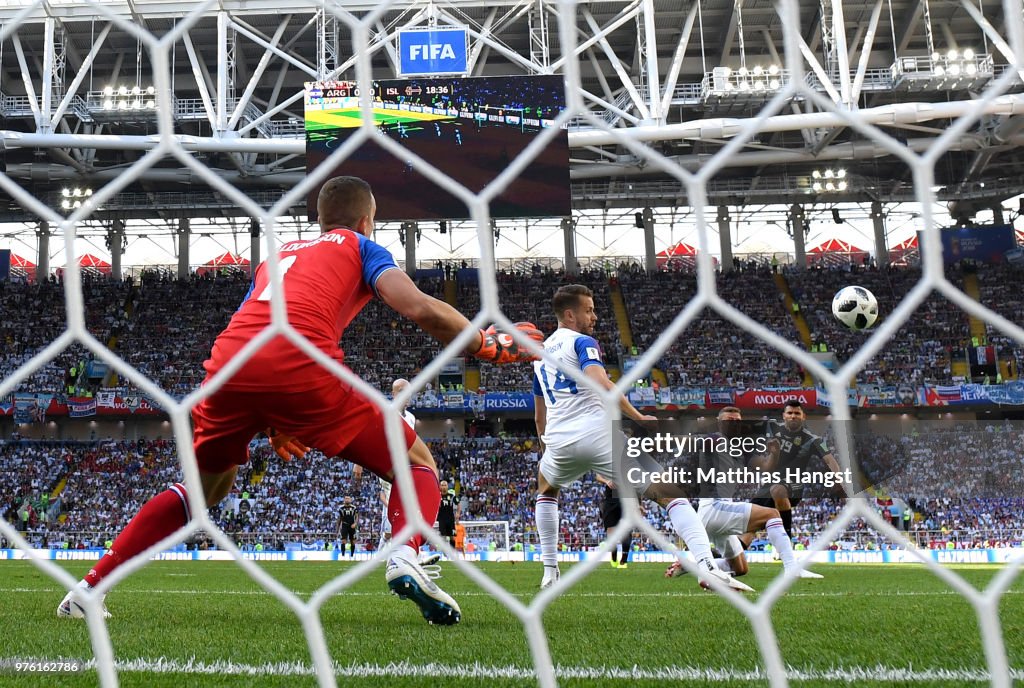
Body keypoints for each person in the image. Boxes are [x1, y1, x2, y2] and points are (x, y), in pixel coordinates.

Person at [57, 175, 541, 626]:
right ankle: (404, 554)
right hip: (300, 361)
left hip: (227, 364)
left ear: (318, 219)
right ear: (368, 220)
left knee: (204, 493)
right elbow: (417, 307)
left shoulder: (277, 254)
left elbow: (258, 325)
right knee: (414, 460)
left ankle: (89, 589)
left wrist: (273, 415)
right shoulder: (361, 246)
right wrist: (485, 345)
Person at [532, 284, 752, 592]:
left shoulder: (539, 357)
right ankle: (705, 567)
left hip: (558, 441)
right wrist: (637, 416)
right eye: (589, 310)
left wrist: (547, 447)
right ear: (570, 314)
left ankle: (550, 570)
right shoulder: (583, 342)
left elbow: (539, 415)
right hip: (598, 435)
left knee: (546, 490)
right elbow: (600, 382)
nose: (594, 316)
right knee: (671, 494)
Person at [664, 407, 821, 580]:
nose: (734, 424)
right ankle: (792, 568)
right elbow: (688, 441)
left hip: (716, 514)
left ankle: (690, 566)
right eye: (729, 420)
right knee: (772, 514)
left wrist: (774, 454)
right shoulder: (715, 439)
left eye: (737, 421)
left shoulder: (742, 450)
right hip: (714, 508)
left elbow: (766, 467)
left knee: (739, 568)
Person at [750, 399, 844, 540]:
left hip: (793, 486)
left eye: (797, 413)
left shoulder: (812, 440)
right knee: (749, 521)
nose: (793, 416)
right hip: (768, 485)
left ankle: (786, 537)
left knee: (778, 489)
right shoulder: (772, 426)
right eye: (790, 413)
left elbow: (830, 459)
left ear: (803, 416)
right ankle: (730, 556)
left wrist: (840, 480)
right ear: (784, 415)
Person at [596, 473, 631, 569]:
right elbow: (598, 476)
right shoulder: (607, 460)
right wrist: (606, 481)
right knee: (611, 532)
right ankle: (614, 557)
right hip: (610, 500)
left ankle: (624, 561)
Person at [437, 480, 459, 551]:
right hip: (441, 519)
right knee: (443, 536)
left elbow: (458, 504)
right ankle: (444, 552)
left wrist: (458, 513)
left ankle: (453, 552)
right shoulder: (437, 496)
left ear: (447, 487)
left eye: (445, 485)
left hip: (450, 519)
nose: (443, 487)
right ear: (440, 487)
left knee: (452, 536)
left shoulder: (452, 496)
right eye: (442, 485)